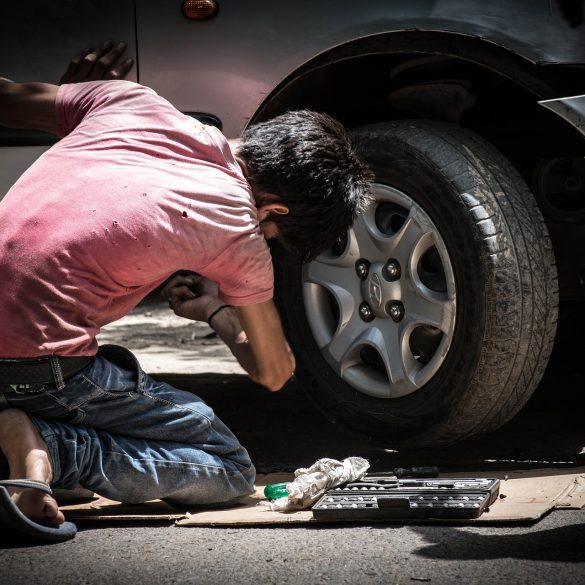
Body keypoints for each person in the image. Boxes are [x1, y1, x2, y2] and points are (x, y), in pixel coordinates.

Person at [0, 42, 373, 541]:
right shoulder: (240, 228)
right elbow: (273, 370)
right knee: (227, 468)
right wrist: (218, 308)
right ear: (276, 211)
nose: (266, 238)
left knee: (109, 366)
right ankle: (49, 446)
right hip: (33, 368)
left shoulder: (127, 100)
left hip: (26, 354)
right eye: (275, 233)